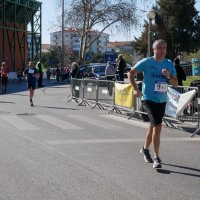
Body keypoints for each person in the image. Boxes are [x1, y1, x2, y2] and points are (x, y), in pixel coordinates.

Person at [128, 39, 178, 169]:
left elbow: (175, 83)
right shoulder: (147, 62)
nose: (162, 51)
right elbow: (131, 73)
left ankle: (145, 149)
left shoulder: (168, 64)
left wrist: (169, 76)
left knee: (153, 126)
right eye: (160, 48)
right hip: (148, 99)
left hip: (161, 100)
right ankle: (156, 157)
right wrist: (135, 88)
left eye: (165, 48)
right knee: (158, 126)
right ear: (154, 49)